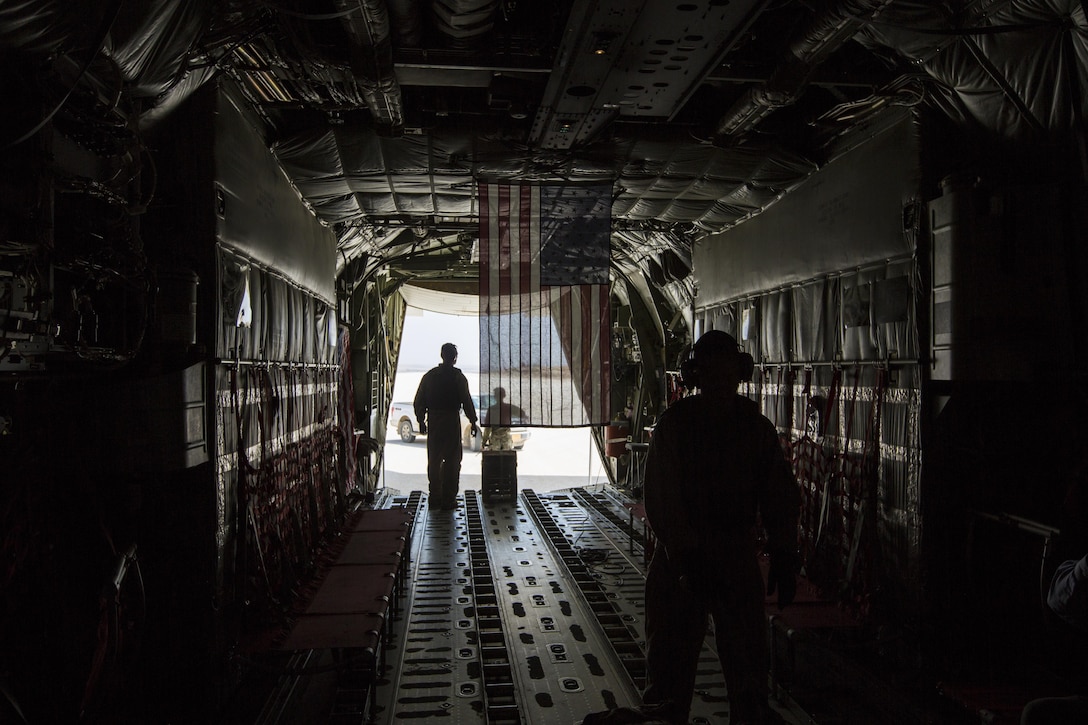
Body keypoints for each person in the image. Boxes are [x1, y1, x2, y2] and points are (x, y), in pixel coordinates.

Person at [641, 330, 800, 725]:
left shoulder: (683, 424)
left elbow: (778, 492)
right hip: (703, 560)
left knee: (714, 679)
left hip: (700, 560)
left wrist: (784, 548)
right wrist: (687, 557)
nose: (719, 378)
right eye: (712, 370)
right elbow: (663, 500)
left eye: (724, 369)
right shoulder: (746, 426)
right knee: (681, 682)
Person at [413, 342, 478, 510]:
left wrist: (421, 420)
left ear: (442, 356)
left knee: (434, 460)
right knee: (452, 461)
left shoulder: (430, 376)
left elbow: (419, 401)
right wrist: (473, 421)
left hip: (434, 421)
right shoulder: (458, 377)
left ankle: (435, 497)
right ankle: (449, 499)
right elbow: (466, 401)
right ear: (455, 358)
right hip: (450, 422)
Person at [482, 386, 525, 451]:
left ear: (494, 396)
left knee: (494, 459)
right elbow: (522, 414)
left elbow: (487, 428)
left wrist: (484, 442)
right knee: (507, 458)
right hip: (506, 440)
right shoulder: (508, 407)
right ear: (504, 395)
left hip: (495, 441)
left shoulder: (492, 409)